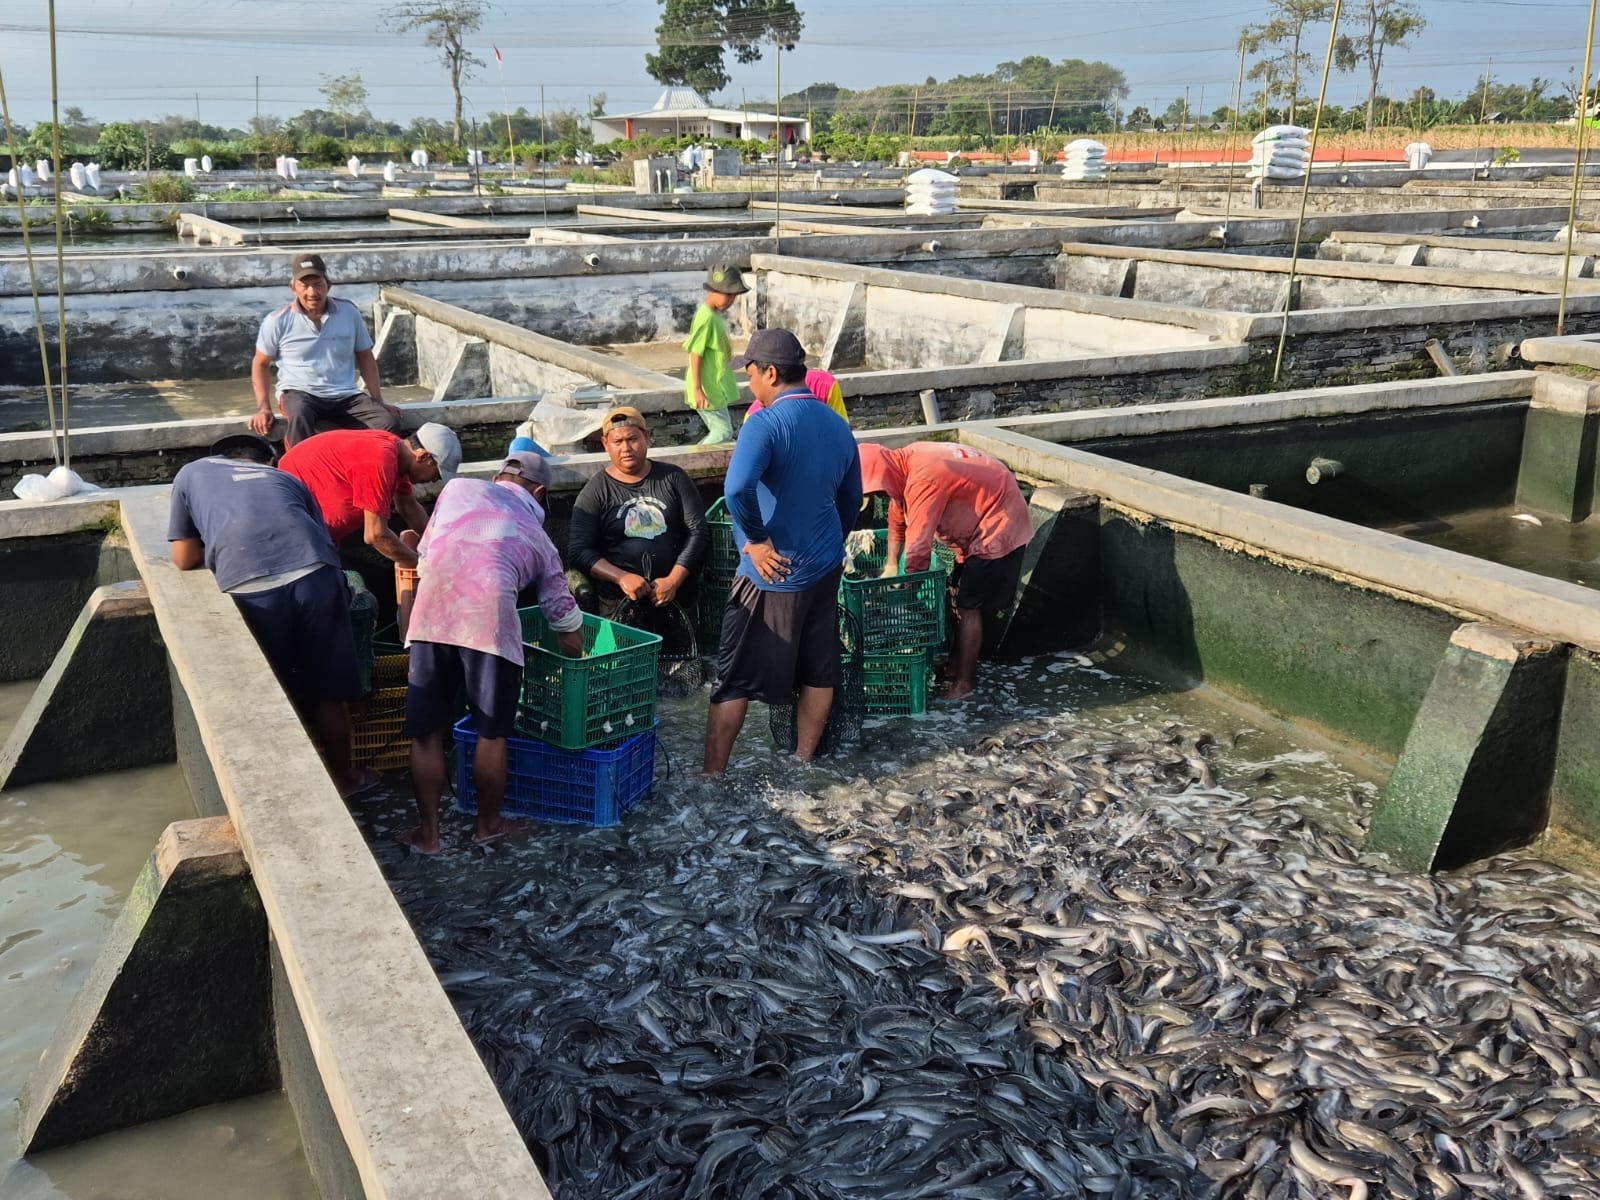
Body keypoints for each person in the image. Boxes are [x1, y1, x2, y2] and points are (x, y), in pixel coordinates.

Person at [167, 432, 376, 800]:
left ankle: (290, 788)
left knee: (272, 691)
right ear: (270, 462)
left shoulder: (192, 472)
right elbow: (322, 540)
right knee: (329, 692)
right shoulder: (288, 479)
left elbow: (184, 559)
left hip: (251, 584)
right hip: (316, 574)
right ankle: (344, 779)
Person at [399, 450, 584, 854]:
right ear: (539, 492)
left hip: (433, 616)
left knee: (426, 733)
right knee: (491, 733)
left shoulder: (456, 489)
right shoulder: (539, 538)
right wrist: (577, 662)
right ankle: (488, 826)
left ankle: (428, 835)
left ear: (500, 477)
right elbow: (564, 617)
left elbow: (427, 556)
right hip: (489, 623)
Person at [702, 328, 861, 776]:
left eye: (750, 373)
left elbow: (736, 489)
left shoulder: (765, 423)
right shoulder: (837, 426)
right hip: (825, 566)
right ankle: (803, 761)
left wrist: (754, 540)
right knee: (819, 669)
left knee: (731, 679)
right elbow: (851, 497)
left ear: (771, 373)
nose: (748, 383)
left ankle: (713, 772)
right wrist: (830, 543)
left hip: (772, 572)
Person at [857, 441, 1032, 702]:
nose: (882, 496)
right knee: (956, 594)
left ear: (883, 474)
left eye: (879, 491)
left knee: (968, 606)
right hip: (979, 519)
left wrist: (905, 591)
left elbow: (918, 546)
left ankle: (964, 682)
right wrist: (891, 564)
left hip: (998, 522)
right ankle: (953, 664)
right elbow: (898, 518)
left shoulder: (924, 477)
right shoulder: (902, 466)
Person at [568, 406, 708, 622]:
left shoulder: (673, 478)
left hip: (674, 596)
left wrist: (674, 579)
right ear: (606, 444)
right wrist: (621, 577)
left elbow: (697, 531)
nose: (626, 448)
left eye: (632, 439)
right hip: (619, 603)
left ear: (647, 437)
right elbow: (579, 550)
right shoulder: (596, 490)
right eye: (617, 442)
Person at [249, 252, 401, 448]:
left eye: (318, 284)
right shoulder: (277, 320)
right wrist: (264, 409)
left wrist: (378, 399)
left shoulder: (349, 312)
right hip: (300, 393)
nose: (312, 292)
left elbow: (364, 355)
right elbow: (260, 363)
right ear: (293, 288)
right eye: (305, 285)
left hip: (345, 395)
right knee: (299, 417)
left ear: (328, 285)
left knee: (388, 423)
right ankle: (298, 474)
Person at [278, 424, 460, 568]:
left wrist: (442, 546)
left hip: (320, 535)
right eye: (436, 473)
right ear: (423, 456)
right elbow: (375, 535)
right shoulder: (380, 458)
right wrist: (422, 567)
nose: (434, 480)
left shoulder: (397, 454)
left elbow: (409, 508)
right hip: (295, 529)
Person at [683, 263, 747, 446]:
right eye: (727, 295)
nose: (730, 301)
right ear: (713, 290)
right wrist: (697, 389)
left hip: (715, 388)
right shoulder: (707, 318)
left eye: (733, 296)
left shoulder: (714, 316)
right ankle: (692, 461)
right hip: (707, 388)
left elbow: (718, 354)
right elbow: (695, 353)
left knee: (724, 432)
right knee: (723, 432)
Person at [744, 365, 849, 424]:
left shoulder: (823, 385)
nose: (750, 385)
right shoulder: (754, 417)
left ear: (771, 374)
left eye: (750, 376)